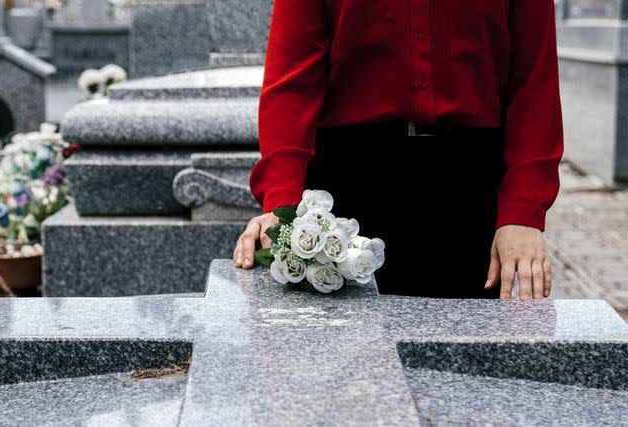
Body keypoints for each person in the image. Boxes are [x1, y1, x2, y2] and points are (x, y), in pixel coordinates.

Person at [233, 0, 564, 300]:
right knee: (343, 358)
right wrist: (283, 206)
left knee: (471, 358)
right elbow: (292, 81)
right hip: (348, 192)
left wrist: (522, 212)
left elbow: (534, 83)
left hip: (470, 191)